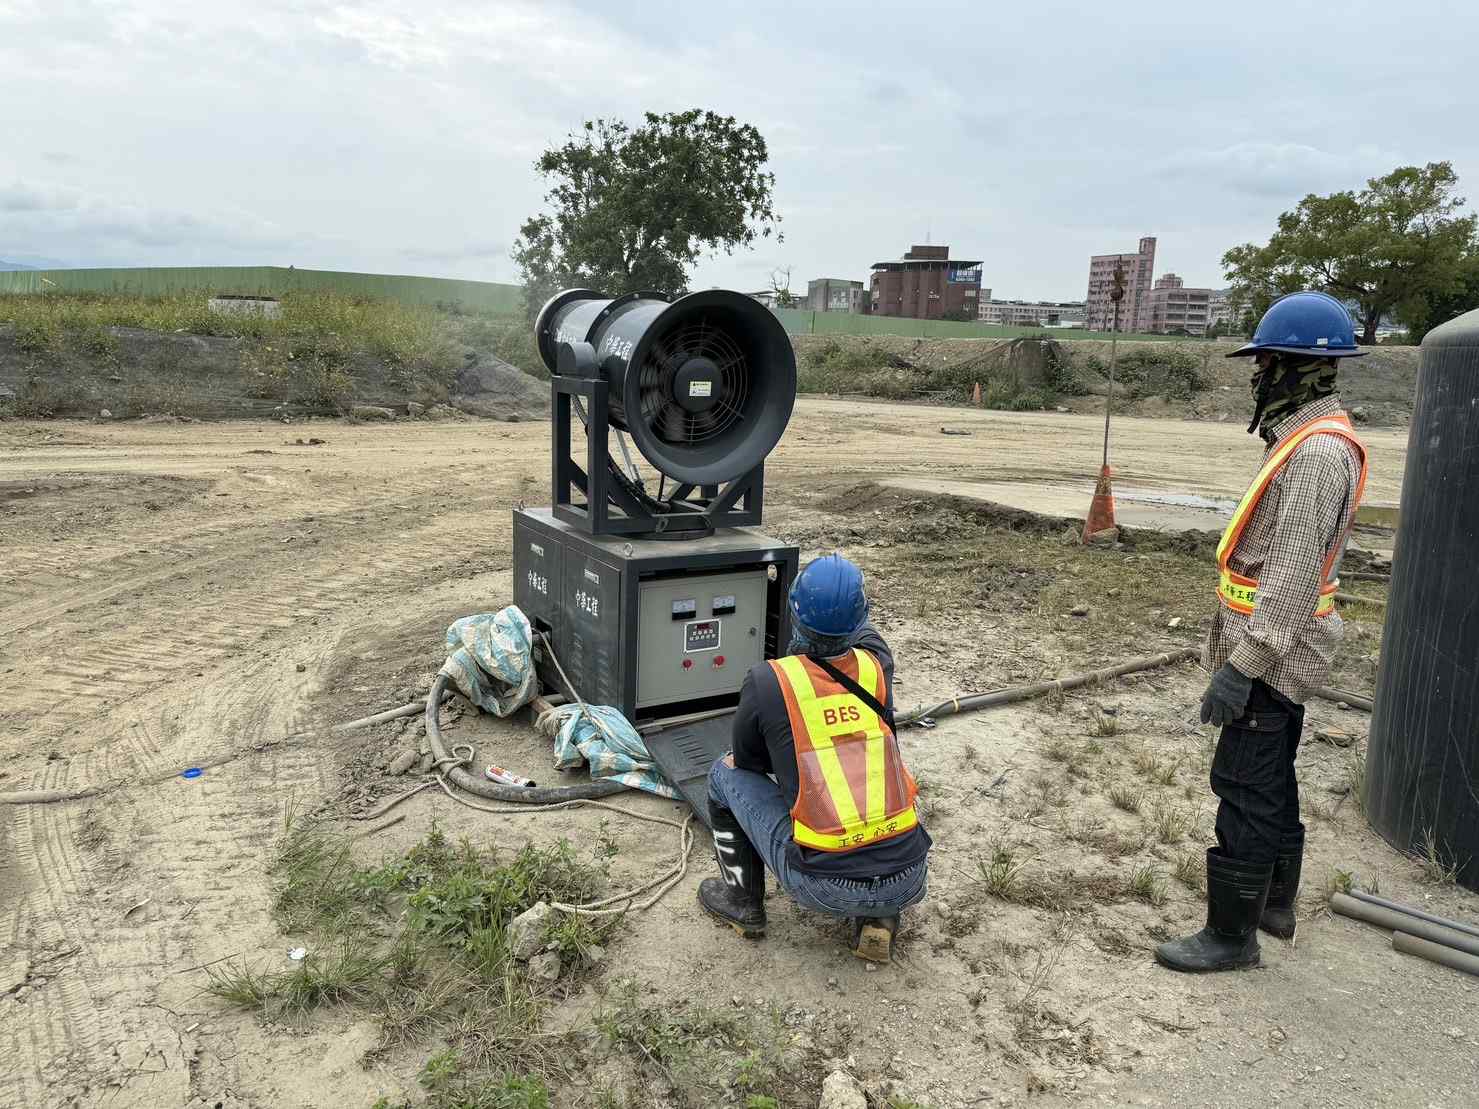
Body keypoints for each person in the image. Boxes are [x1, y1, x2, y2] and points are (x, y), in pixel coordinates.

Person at [1156, 291, 1369, 974]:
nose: (1256, 376)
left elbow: (1293, 569)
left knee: (1243, 783)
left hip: (1272, 652)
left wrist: (1240, 664)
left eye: (1265, 363)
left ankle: (1230, 935)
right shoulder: (1306, 438)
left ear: (1296, 368)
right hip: (1279, 647)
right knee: (1272, 774)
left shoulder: (1314, 453)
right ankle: (1273, 904)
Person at [698, 553, 931, 962]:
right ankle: (880, 917)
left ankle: (743, 903)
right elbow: (864, 630)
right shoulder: (877, 665)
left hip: (824, 886)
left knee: (723, 772)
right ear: (862, 619)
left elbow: (749, 763)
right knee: (877, 807)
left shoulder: (769, 680)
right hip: (910, 876)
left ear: (795, 615)